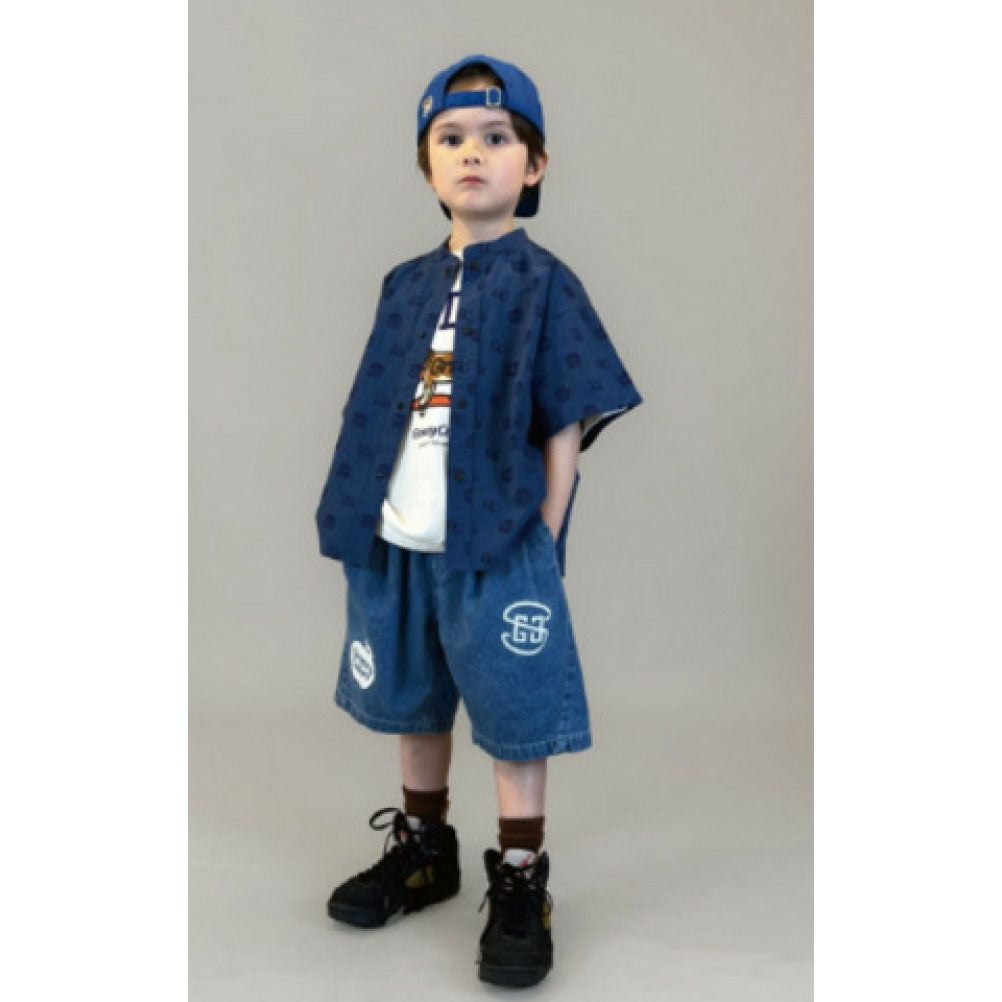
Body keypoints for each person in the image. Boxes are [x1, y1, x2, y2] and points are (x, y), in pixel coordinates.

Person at [314, 53, 643, 988]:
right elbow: (375, 404)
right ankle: (426, 850)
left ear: (532, 166)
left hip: (495, 538)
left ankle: (522, 871)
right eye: (451, 138)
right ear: (427, 165)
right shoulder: (403, 284)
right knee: (413, 698)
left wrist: (544, 529)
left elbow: (566, 418)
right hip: (397, 533)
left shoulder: (546, 284)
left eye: (496, 139)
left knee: (513, 708)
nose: (472, 154)